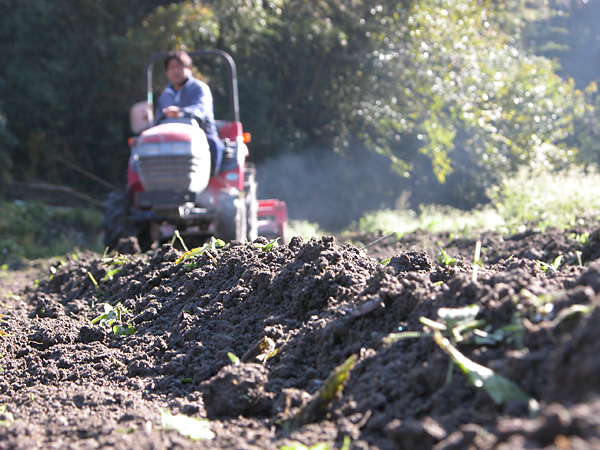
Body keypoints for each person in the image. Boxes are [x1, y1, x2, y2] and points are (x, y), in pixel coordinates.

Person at [155, 50, 224, 175]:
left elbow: (201, 109)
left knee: (212, 143)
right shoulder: (165, 95)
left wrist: (180, 113)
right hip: (169, 137)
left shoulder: (199, 88)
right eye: (171, 68)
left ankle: (211, 176)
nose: (175, 71)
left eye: (179, 66)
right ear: (167, 72)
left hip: (200, 132)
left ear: (188, 68)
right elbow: (157, 119)